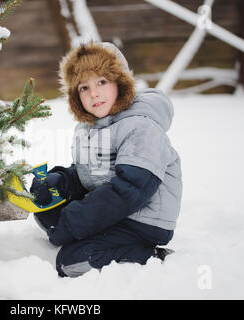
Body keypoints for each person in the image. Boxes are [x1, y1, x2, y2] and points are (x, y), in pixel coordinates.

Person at [30, 42, 182, 278]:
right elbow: (91, 174)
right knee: (47, 212)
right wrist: (61, 181)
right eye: (83, 87)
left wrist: (75, 222)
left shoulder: (141, 126)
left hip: (143, 219)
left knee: (70, 262)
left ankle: (150, 256)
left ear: (120, 82)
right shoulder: (91, 127)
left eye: (102, 81)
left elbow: (129, 190)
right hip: (117, 210)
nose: (94, 94)